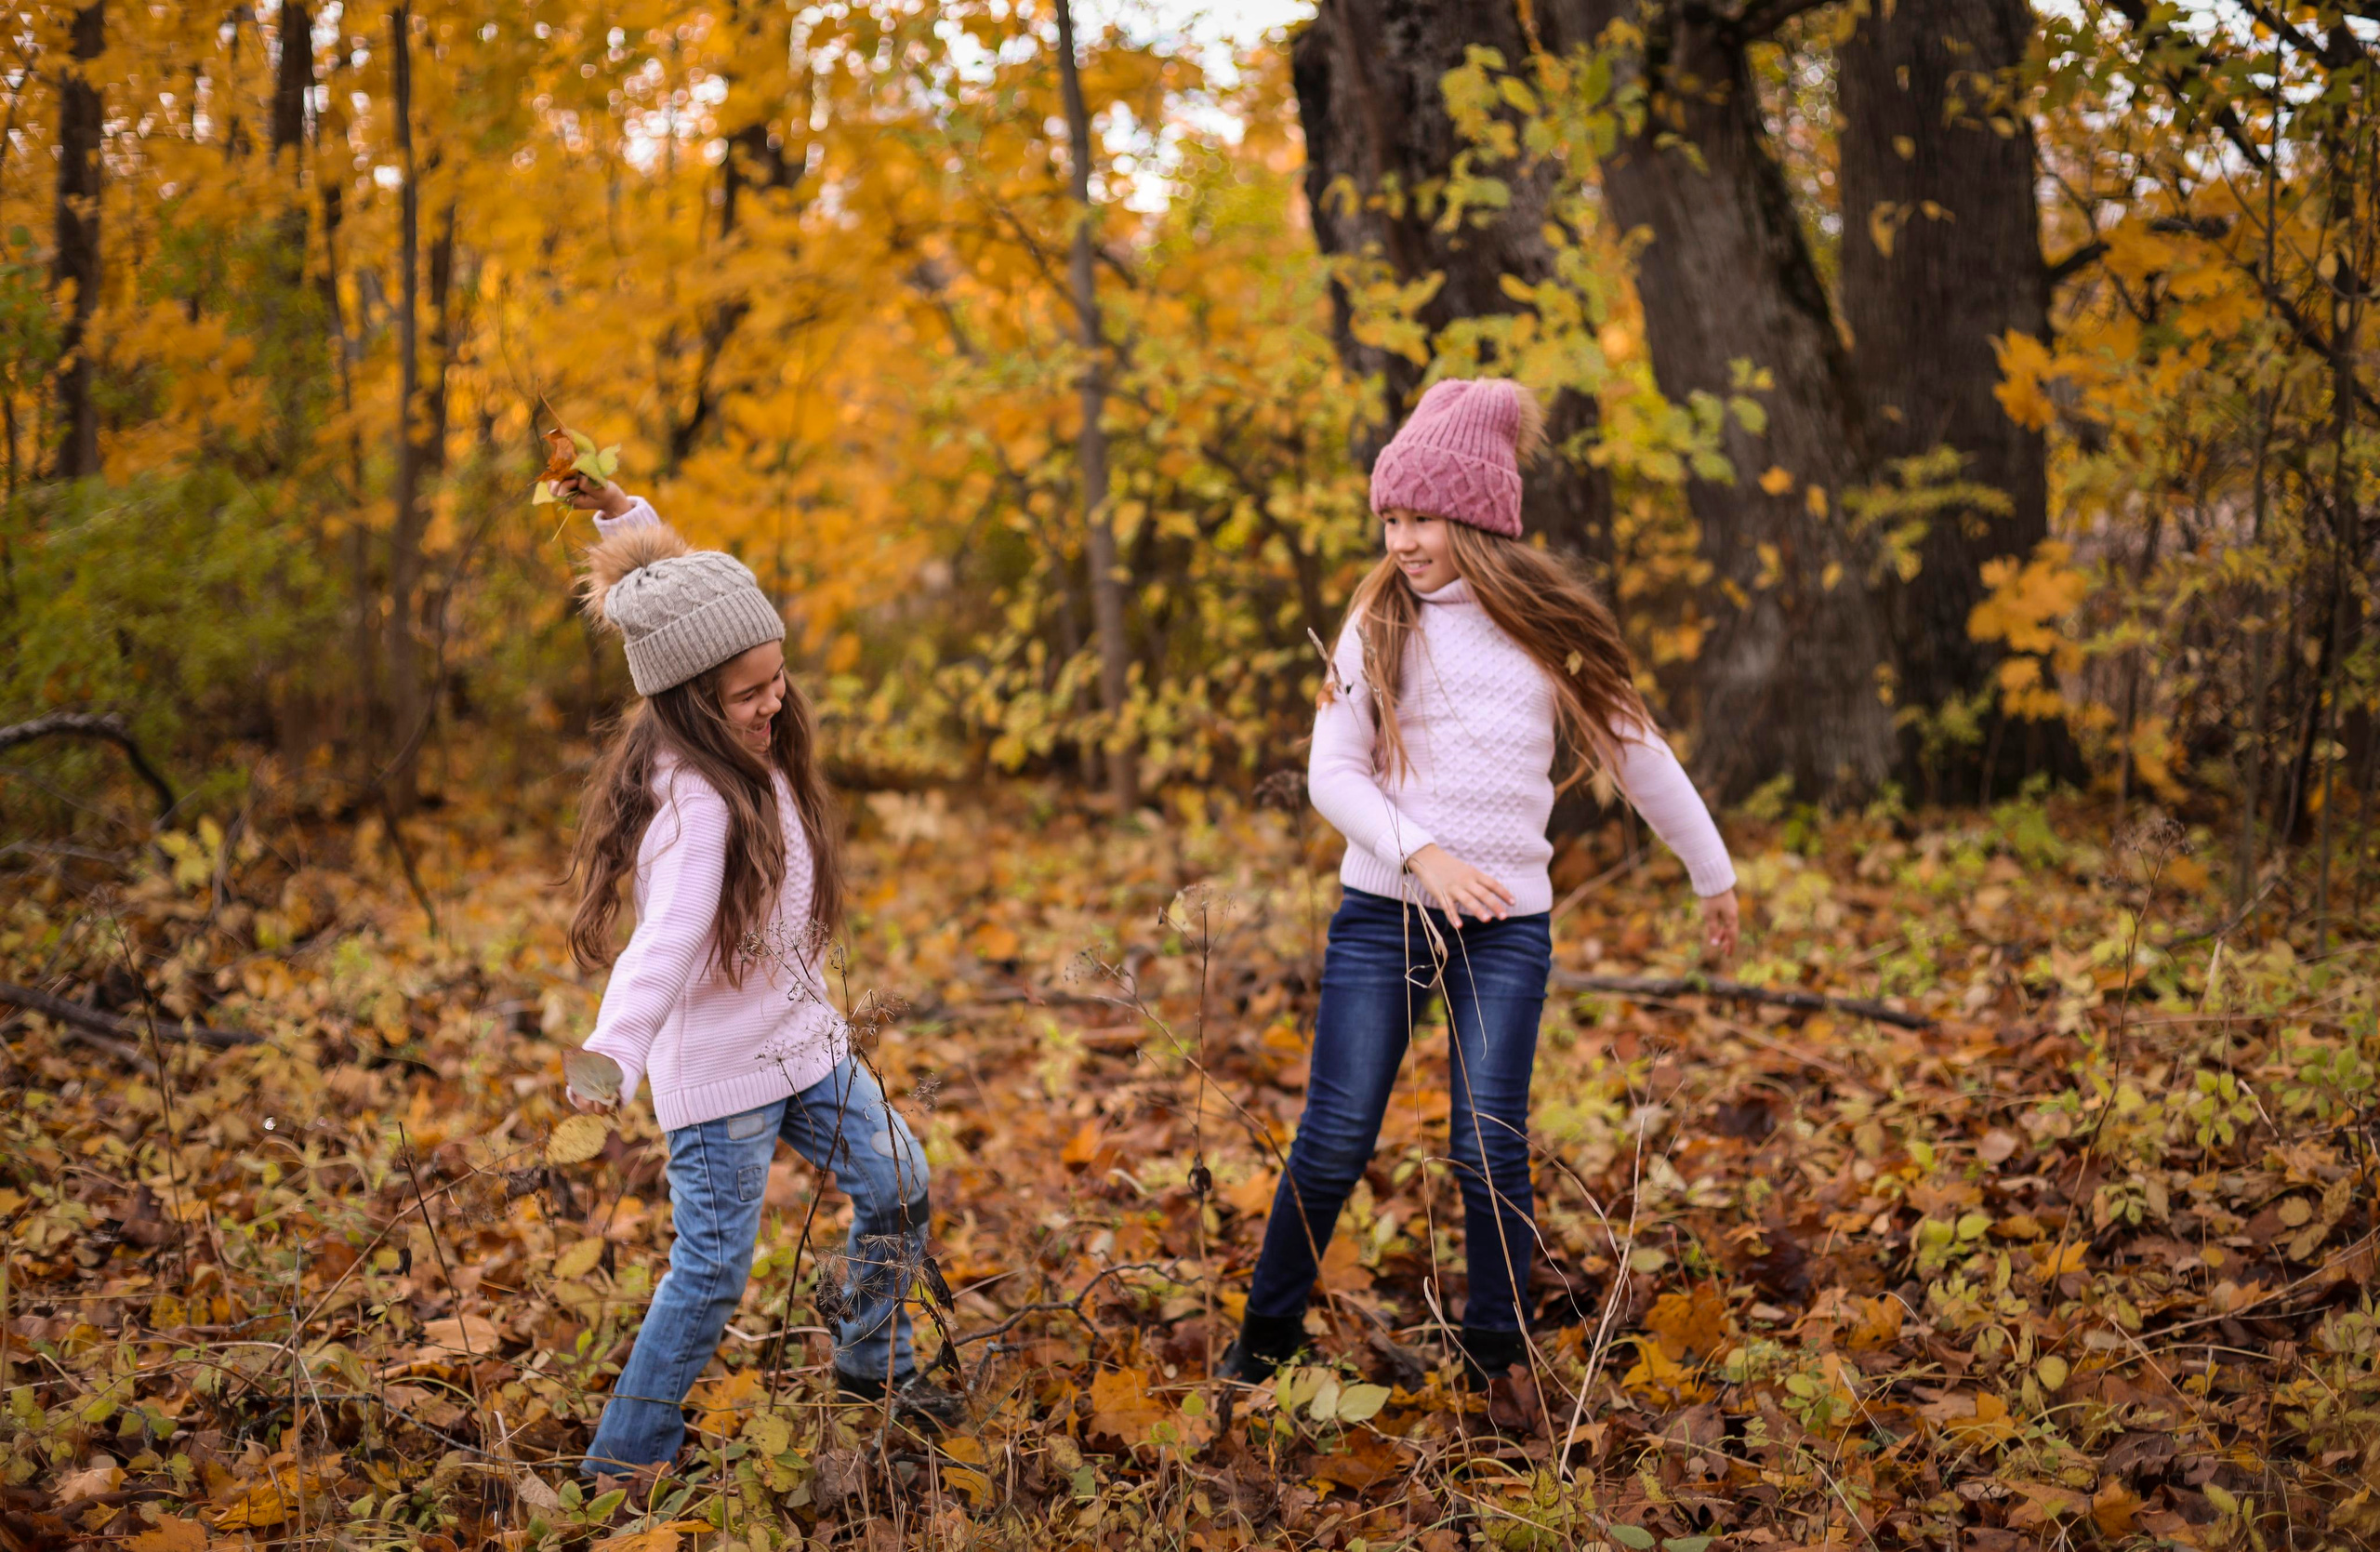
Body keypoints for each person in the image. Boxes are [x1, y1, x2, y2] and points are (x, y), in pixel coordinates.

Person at [1219, 379, 1742, 1394]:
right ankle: (1265, 1339)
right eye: (1389, 517)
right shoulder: (1376, 618)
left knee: (1486, 1145)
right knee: (1333, 1139)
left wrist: (1710, 875)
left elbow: (1639, 753)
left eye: (1419, 517)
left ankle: (1496, 1354)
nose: (1401, 539)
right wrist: (1420, 854)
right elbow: (1333, 772)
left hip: (1505, 929)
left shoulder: (1548, 626)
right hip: (1383, 915)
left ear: (1478, 514)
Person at [551, 474, 957, 1486]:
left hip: (804, 1048)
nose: (775, 699)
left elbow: (668, 592)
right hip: (722, 1078)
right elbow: (665, 945)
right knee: (711, 1272)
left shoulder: (742, 738)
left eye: (778, 677)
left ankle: (873, 1360)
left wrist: (620, 520)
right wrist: (612, 1049)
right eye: (749, 692)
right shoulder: (698, 804)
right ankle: (620, 1459)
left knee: (898, 1179)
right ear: (689, 703)